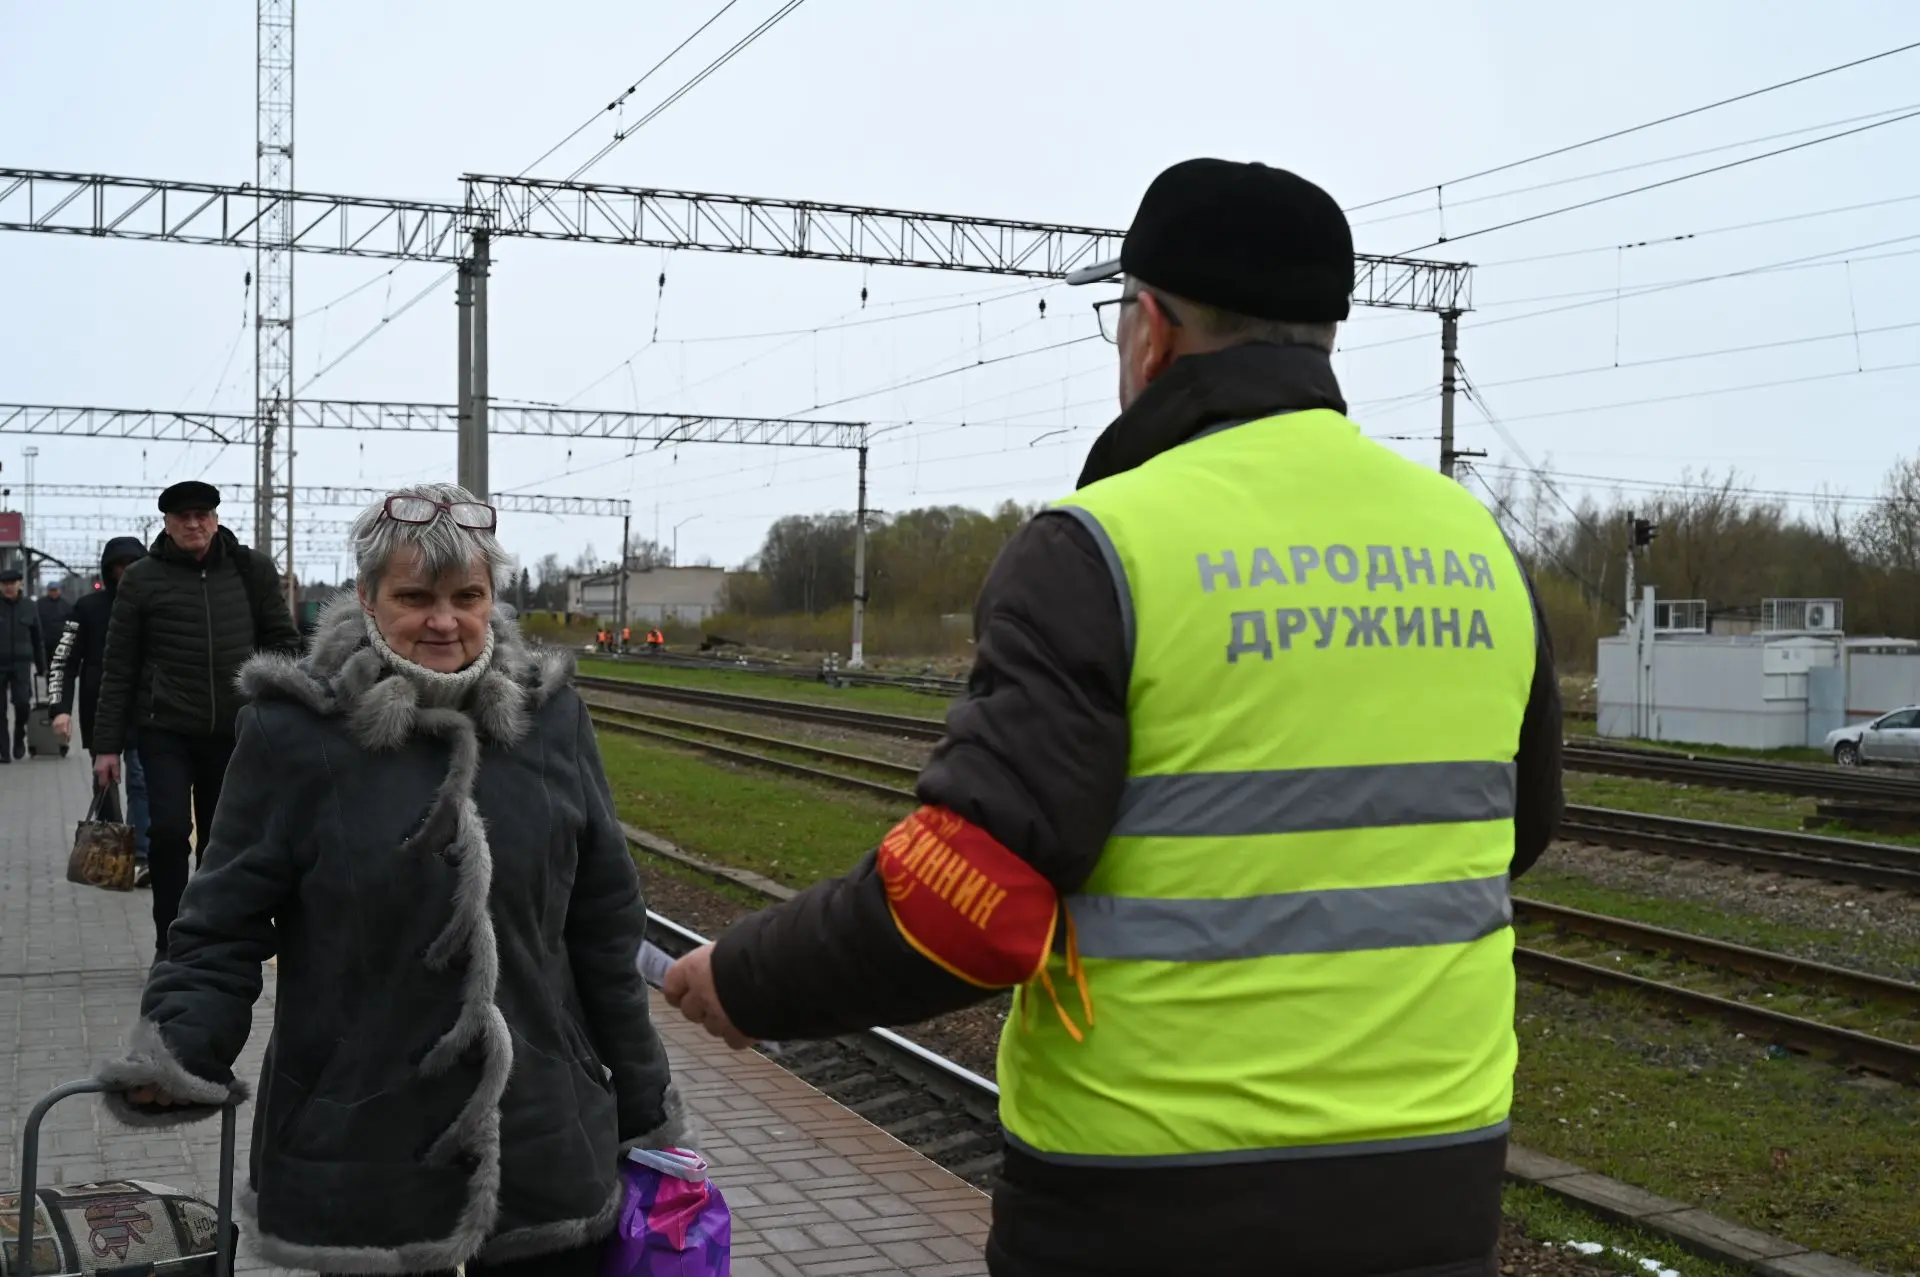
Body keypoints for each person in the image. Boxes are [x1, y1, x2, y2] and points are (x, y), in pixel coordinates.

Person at [663, 159, 1565, 1277]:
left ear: (1152, 329)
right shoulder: (1476, 547)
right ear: (1323, 334)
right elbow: (1510, 832)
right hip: (1435, 1186)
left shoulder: (1100, 547)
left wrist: (746, 978)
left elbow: (964, 907)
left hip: (1150, 1197)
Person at [96, 483, 685, 1276]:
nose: (444, 620)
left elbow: (604, 922)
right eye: (415, 597)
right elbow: (220, 922)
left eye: (467, 596)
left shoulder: (551, 718)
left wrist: (645, 1097)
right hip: (359, 1144)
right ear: (369, 595)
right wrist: (180, 1045)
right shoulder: (294, 730)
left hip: (543, 1133)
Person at [91, 481, 302, 962]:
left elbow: (282, 643)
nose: (193, 524)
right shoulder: (142, 579)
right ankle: (169, 943)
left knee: (220, 840)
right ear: (166, 524)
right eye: (183, 517)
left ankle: (212, 937)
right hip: (164, 728)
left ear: (216, 518)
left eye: (202, 514)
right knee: (168, 832)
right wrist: (105, 747)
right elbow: (118, 666)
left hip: (234, 729)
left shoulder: (250, 569)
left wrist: (289, 708)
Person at [49, 537, 154, 882]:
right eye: (119, 566)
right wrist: (59, 709)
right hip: (99, 711)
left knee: (140, 781)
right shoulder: (86, 608)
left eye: (132, 564)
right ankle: (114, 853)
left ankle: (140, 857)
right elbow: (63, 660)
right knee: (105, 782)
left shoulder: (155, 605)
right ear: (109, 569)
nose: (125, 571)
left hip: (143, 709)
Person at [0, 566, 45, 762]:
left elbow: (37, 638)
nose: (8, 587)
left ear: (20, 584)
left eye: (12, 583)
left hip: (21, 665)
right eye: (4, 584)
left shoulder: (29, 606)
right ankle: (4, 751)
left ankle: (19, 735)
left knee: (22, 704)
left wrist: (42, 666)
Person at [37, 579, 72, 648]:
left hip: (61, 639)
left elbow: (71, 621)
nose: (53, 592)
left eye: (55, 590)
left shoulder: (66, 604)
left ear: (59, 590)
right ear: (48, 591)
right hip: (45, 639)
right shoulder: (40, 603)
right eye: (51, 590)